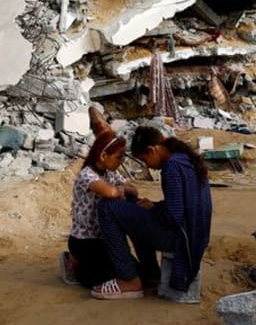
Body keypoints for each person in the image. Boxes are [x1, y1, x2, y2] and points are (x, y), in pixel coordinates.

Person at [91, 125, 212, 300]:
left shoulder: (171, 167)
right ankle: (151, 274)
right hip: (191, 234)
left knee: (107, 208)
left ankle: (129, 279)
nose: (148, 166)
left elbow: (173, 217)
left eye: (144, 159)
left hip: (181, 239)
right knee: (135, 205)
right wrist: (152, 206)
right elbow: (183, 205)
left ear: (152, 150)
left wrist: (153, 210)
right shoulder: (184, 159)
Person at [61, 129, 138, 288]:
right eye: (119, 157)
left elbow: (133, 190)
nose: (121, 162)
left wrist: (123, 189)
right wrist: (120, 190)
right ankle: (73, 263)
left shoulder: (110, 173)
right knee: (102, 278)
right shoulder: (86, 175)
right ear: (103, 156)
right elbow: (110, 192)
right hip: (84, 240)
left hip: (103, 237)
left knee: (129, 268)